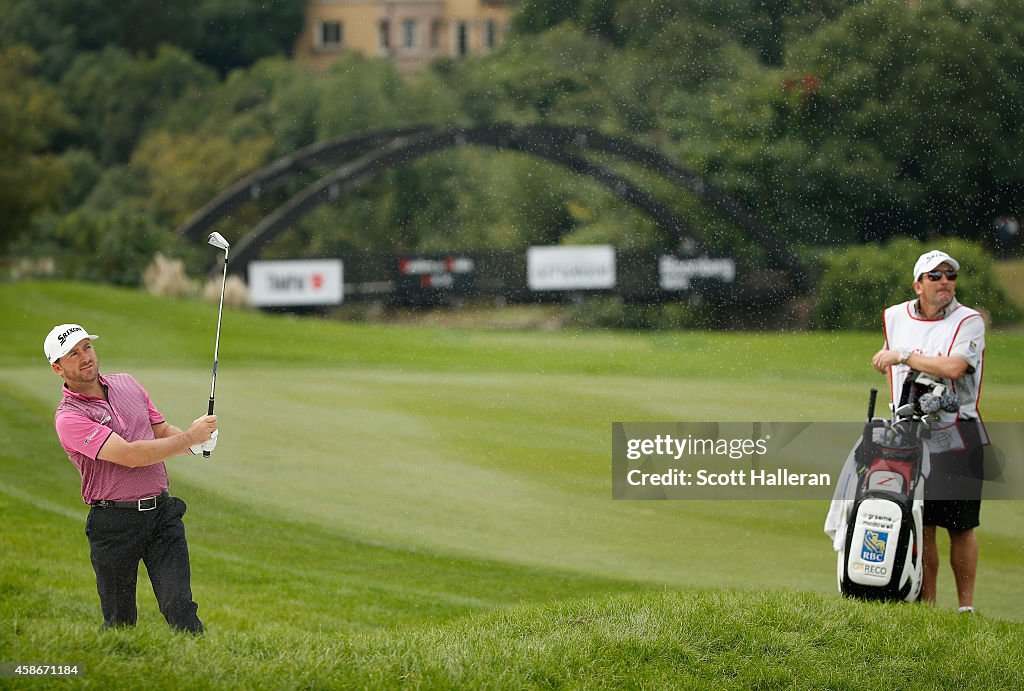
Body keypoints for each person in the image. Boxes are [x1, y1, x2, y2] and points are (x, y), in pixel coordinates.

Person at [44, 323, 218, 633]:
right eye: (72, 354)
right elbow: (131, 456)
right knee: (120, 622)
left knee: (180, 605)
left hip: (162, 515)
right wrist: (190, 437)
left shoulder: (127, 383)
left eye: (86, 347)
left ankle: (203, 666)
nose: (84, 357)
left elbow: (160, 432)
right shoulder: (69, 418)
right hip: (113, 525)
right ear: (58, 368)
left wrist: (195, 446)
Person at [870, 250, 986, 613]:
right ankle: (927, 606)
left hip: (959, 431)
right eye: (935, 277)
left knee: (961, 525)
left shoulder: (969, 320)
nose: (945, 283)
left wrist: (902, 355)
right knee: (923, 525)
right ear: (918, 285)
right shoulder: (894, 316)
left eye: (950, 276)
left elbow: (955, 367)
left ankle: (965, 608)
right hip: (908, 433)